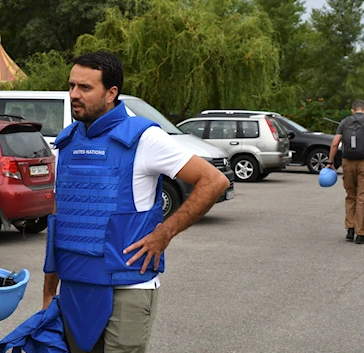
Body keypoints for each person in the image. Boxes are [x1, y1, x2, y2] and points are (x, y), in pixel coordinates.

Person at [42, 51, 230, 353]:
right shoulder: (66, 142)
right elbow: (60, 222)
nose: (74, 95)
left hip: (127, 288)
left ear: (111, 93)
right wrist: (49, 291)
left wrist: (163, 234)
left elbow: (214, 181)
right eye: (72, 85)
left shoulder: (145, 138)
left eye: (85, 88)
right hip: (75, 285)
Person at [328, 99, 364, 245]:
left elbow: (335, 144)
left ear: (352, 110)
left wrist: (330, 162)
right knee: (362, 197)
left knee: (350, 196)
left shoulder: (344, 122)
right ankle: (360, 234)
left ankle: (350, 229)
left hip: (347, 163)